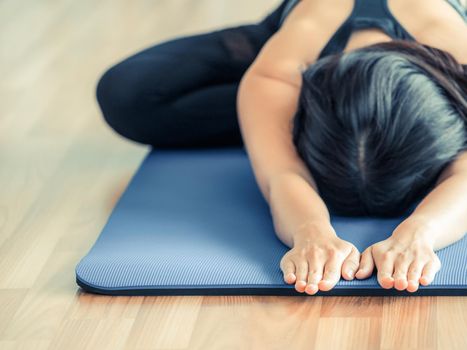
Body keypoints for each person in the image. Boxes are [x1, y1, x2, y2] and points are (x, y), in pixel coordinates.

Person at [96, 0, 467, 295]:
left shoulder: (458, 63)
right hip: (297, 35)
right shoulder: (283, 66)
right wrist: (310, 231)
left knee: (261, 118)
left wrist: (420, 232)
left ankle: (259, 121)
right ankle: (259, 112)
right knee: (127, 97)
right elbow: (283, 175)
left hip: (401, 69)